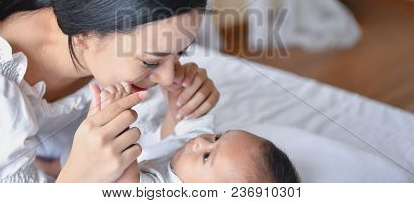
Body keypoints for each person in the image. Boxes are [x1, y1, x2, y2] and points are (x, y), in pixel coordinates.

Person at [0, 0, 220, 183]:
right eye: (151, 61)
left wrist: (177, 116)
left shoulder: (99, 6)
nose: (169, 76)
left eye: (180, 52)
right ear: (84, 34)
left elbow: (143, 158)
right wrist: (76, 179)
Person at [89, 82, 300, 183]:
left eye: (207, 157)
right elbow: (188, 115)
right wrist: (179, 87)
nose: (201, 141)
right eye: (218, 137)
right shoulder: (194, 148)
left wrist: (115, 116)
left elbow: (125, 180)